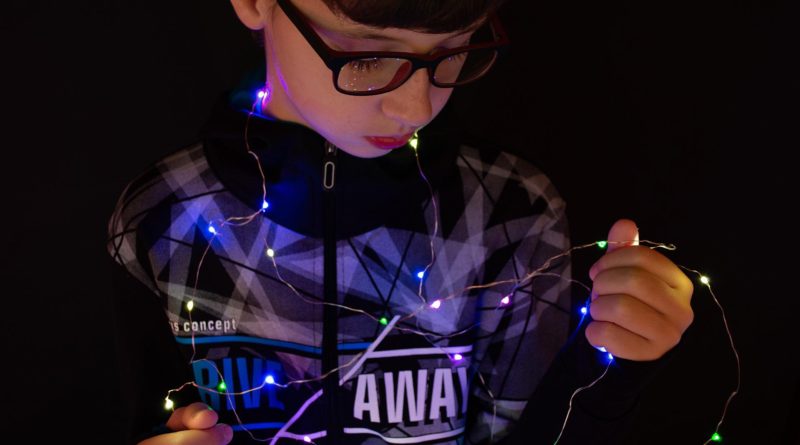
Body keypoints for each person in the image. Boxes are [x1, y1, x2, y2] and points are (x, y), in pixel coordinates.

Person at [105, 0, 695, 444]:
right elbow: (145, 416)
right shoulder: (160, 216)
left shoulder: (513, 213)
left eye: (454, 49)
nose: (414, 107)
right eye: (367, 56)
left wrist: (613, 365)